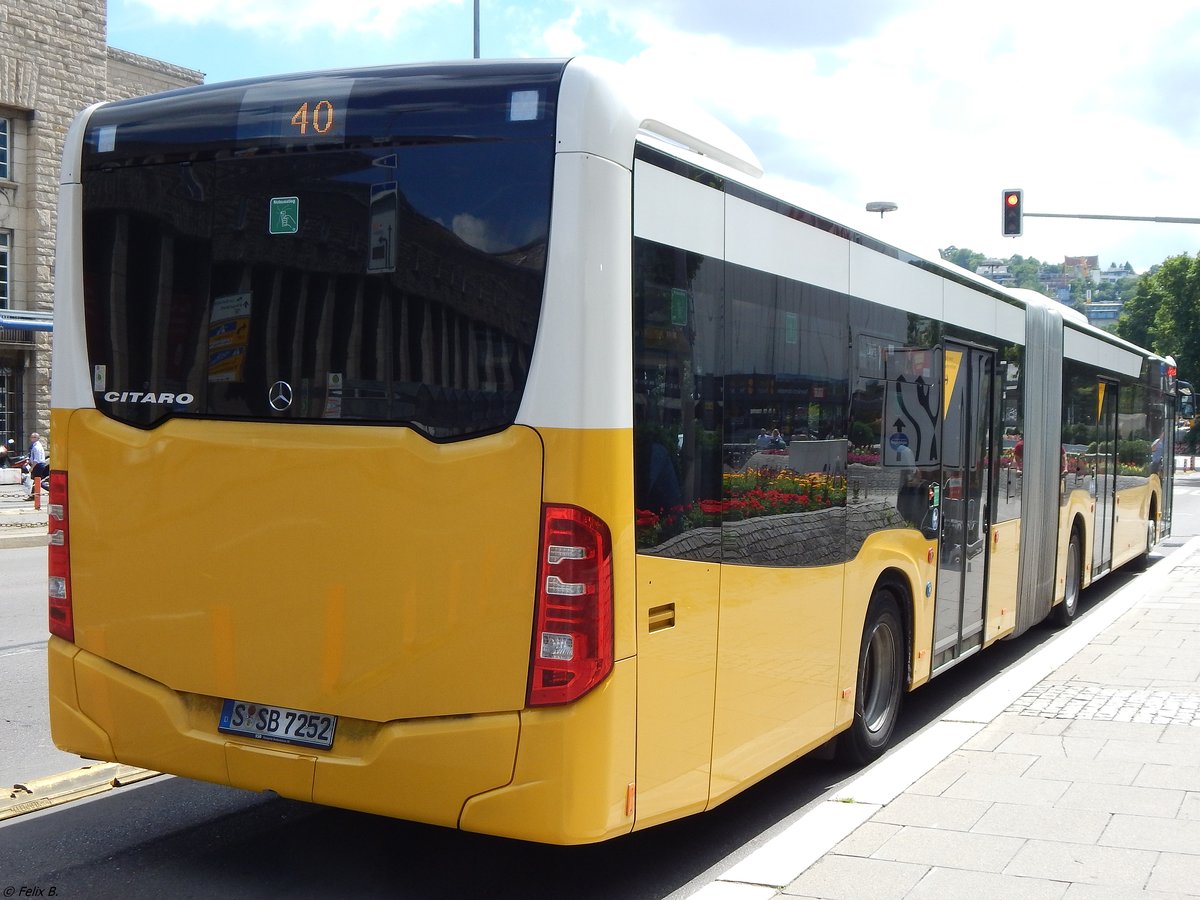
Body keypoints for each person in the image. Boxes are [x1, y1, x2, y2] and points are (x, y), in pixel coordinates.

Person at [23, 432, 48, 500]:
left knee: (38, 480)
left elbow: (36, 459)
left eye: (33, 437)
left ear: (37, 438)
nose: (31, 438)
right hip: (38, 465)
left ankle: (49, 490)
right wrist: (28, 462)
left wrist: (32, 467)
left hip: (38, 465)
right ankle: (33, 495)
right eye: (31, 437)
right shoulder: (35, 446)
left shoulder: (36, 447)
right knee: (37, 480)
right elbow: (33, 457)